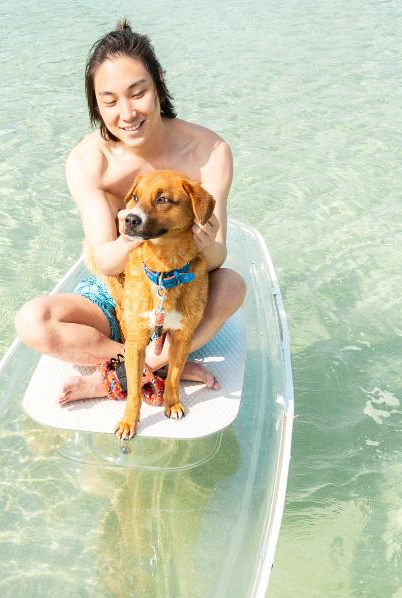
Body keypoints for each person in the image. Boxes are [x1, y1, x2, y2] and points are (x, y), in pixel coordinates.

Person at [14, 19, 246, 404]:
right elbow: (106, 261)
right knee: (33, 321)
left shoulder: (208, 151)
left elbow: (218, 255)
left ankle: (129, 371)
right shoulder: (89, 161)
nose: (127, 113)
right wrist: (132, 236)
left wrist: (205, 242)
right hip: (114, 293)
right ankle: (148, 366)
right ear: (95, 103)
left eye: (137, 93)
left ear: (159, 83)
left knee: (233, 286)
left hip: (180, 297)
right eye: (109, 101)